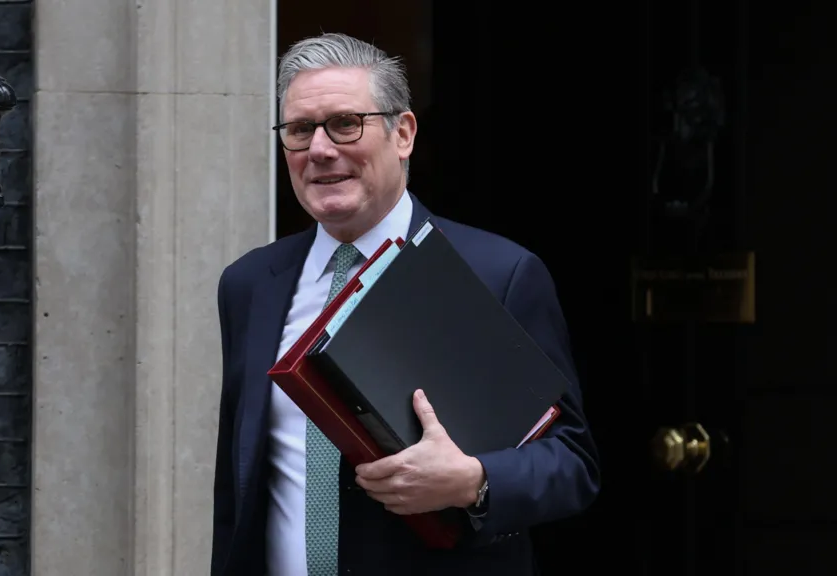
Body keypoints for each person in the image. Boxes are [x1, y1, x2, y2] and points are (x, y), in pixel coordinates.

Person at [211, 32, 600, 576]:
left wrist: (473, 481)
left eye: (346, 124)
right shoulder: (250, 283)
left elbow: (571, 464)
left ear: (404, 134)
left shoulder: (498, 274)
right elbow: (241, 484)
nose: (320, 150)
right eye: (300, 130)